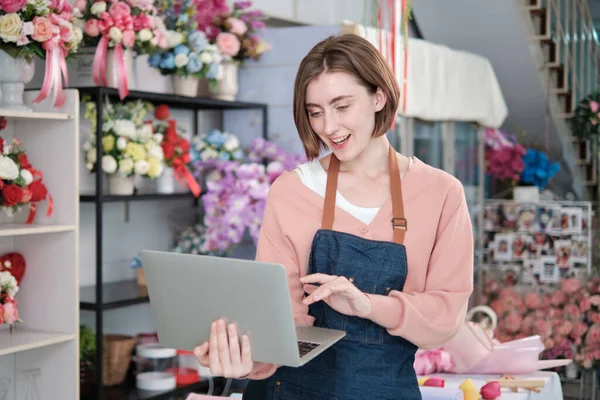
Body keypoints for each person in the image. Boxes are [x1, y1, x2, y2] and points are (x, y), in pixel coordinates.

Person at [193, 33, 474, 400]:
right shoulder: (291, 191)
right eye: (315, 112)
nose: (328, 127)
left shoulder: (441, 194)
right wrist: (246, 362)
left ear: (379, 96)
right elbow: (282, 320)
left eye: (342, 107)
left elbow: (445, 317)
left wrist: (369, 305)